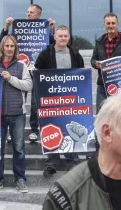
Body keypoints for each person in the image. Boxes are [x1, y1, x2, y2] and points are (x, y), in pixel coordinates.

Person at [0, 4, 56, 143]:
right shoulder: (19, 28)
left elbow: (54, 45)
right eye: (27, 12)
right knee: (17, 100)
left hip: (38, 69)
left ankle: (34, 130)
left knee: (36, 103)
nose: (28, 14)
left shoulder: (45, 29)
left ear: (39, 14)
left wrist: (53, 28)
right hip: (20, 68)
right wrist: (6, 28)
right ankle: (12, 131)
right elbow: (3, 42)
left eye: (31, 12)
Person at [34, 26, 84, 177]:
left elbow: (81, 75)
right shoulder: (45, 54)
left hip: (70, 99)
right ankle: (52, 163)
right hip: (50, 99)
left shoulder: (75, 54)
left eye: (65, 36)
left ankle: (72, 161)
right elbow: (37, 73)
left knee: (70, 128)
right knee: (50, 129)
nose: (63, 38)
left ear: (69, 37)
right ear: (54, 37)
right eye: (60, 36)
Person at [0, 35, 32, 193]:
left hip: (17, 113)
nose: (10, 49)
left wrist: (11, 78)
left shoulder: (21, 65)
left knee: (19, 148)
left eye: (12, 46)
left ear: (15, 48)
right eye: (7, 46)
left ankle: (20, 179)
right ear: (2, 47)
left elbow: (28, 85)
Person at [91, 13, 121, 117]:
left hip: (120, 84)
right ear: (104, 25)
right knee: (101, 116)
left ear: (117, 24)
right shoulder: (99, 41)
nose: (111, 25)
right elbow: (93, 59)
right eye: (108, 23)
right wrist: (95, 64)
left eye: (113, 23)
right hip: (102, 85)